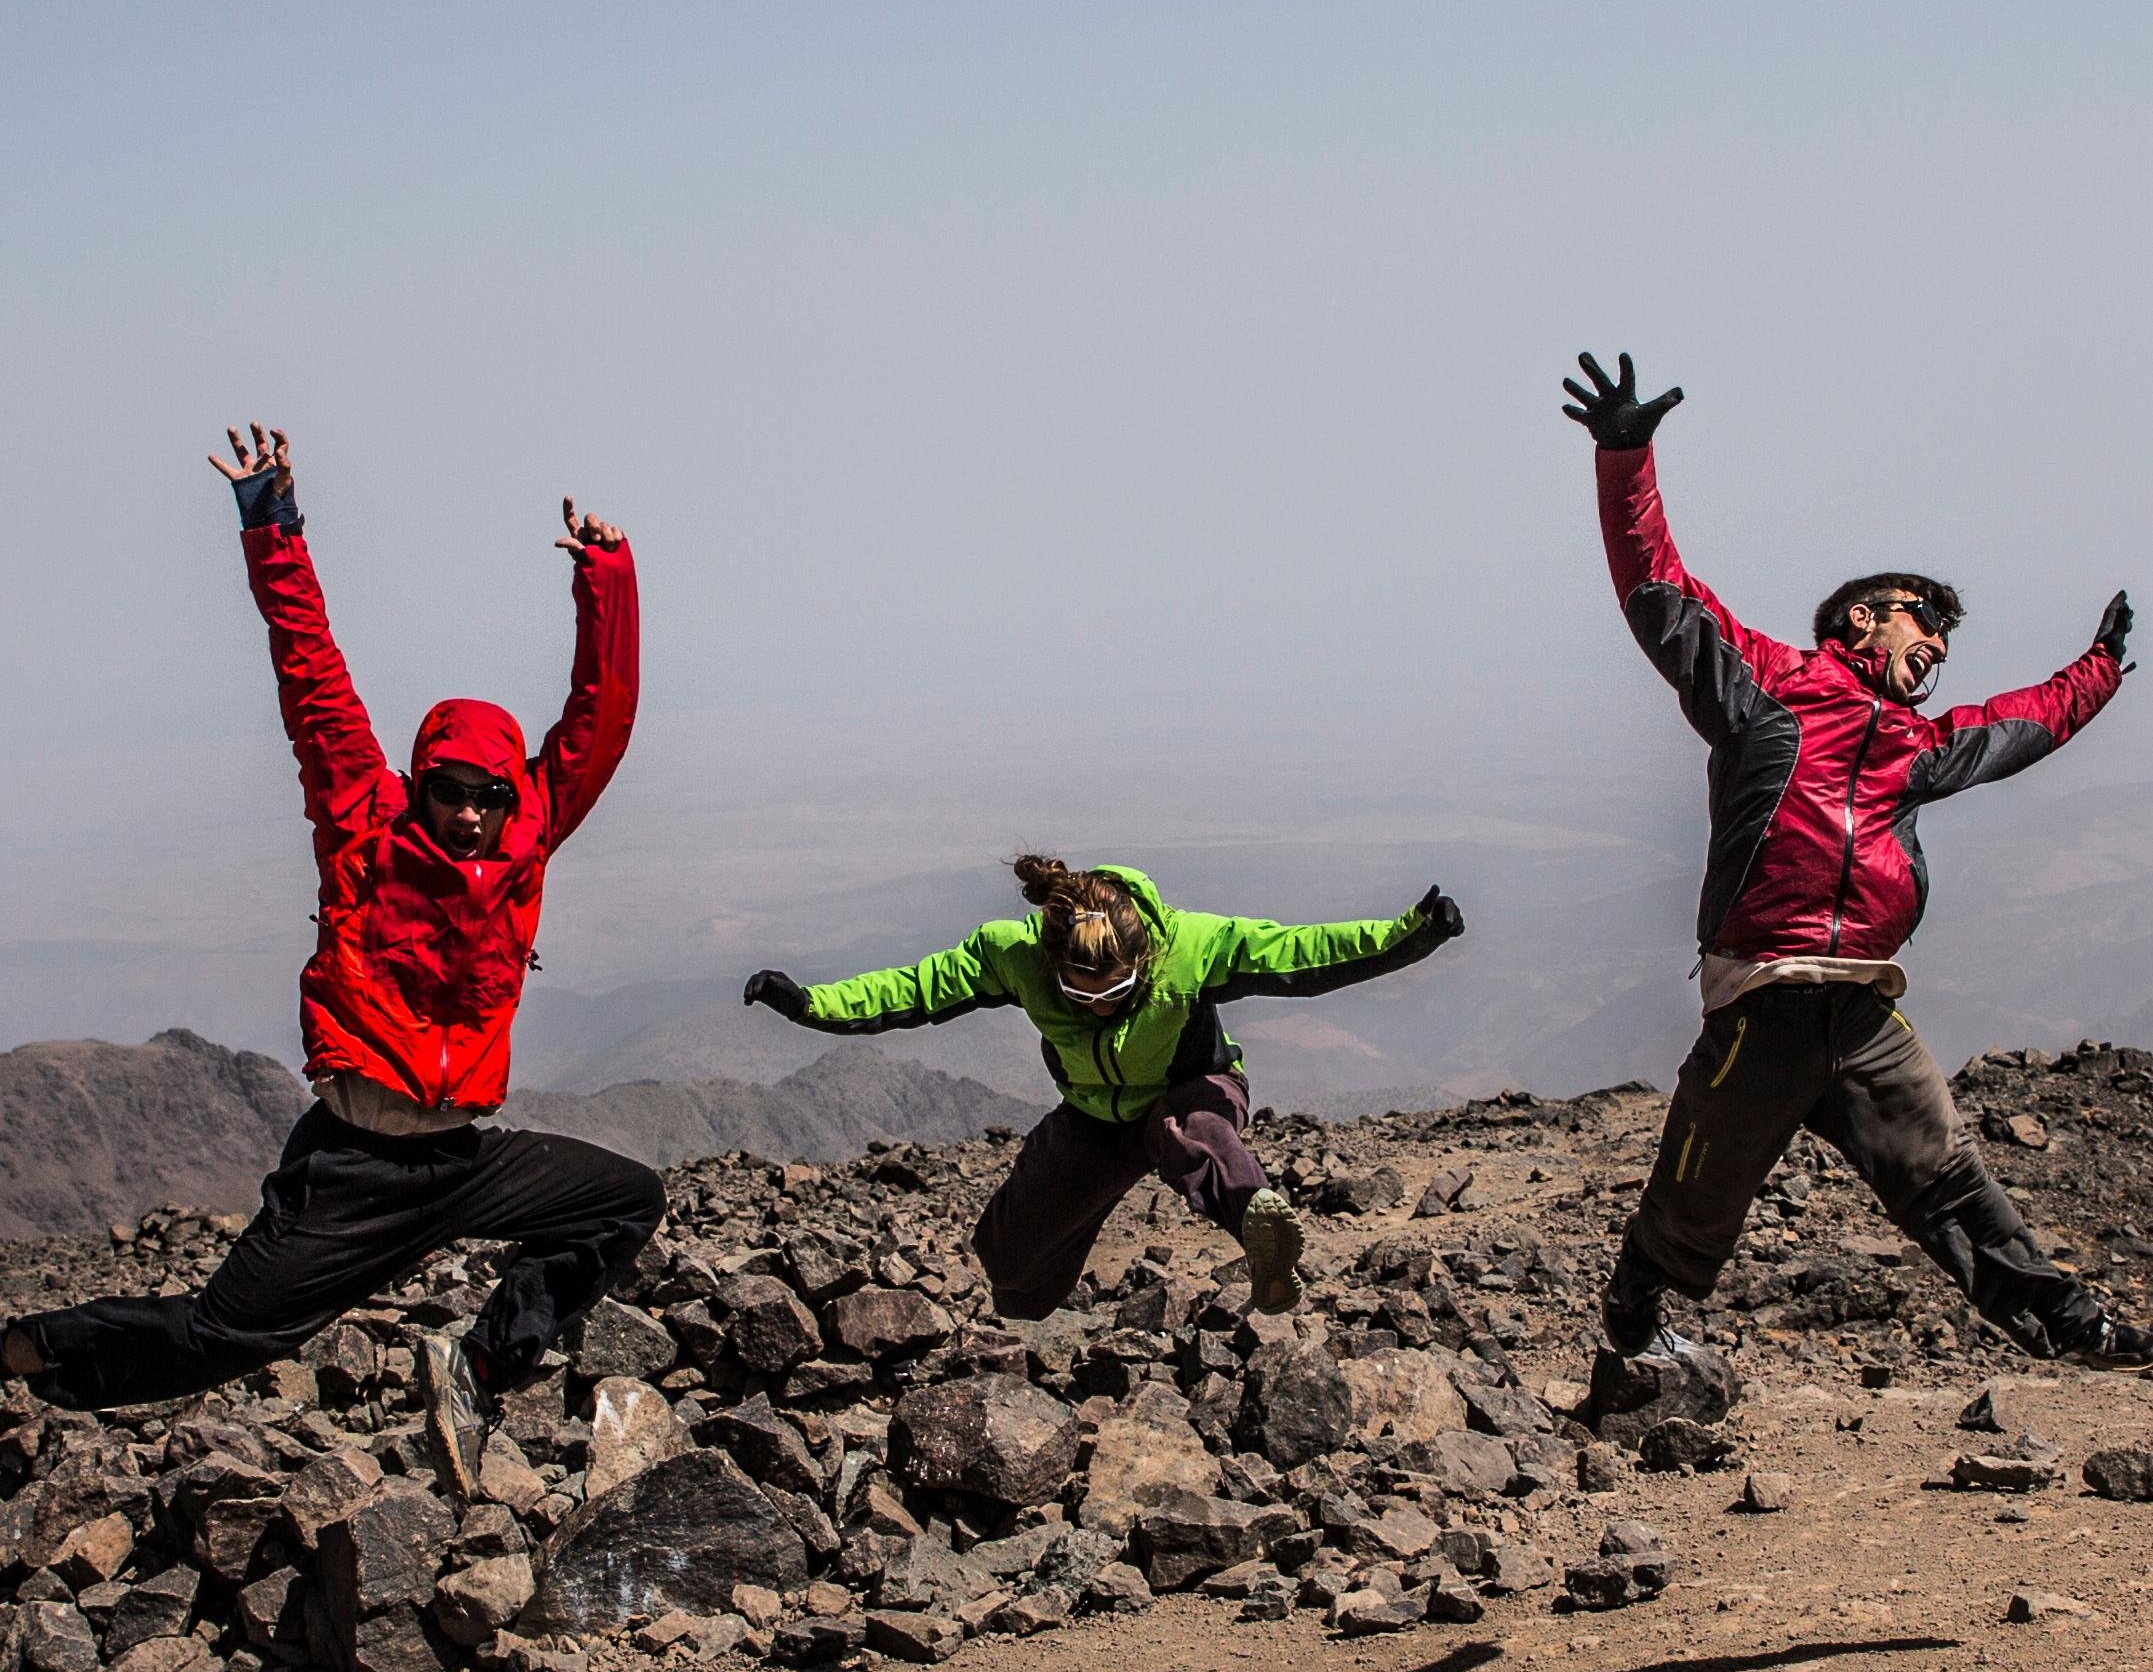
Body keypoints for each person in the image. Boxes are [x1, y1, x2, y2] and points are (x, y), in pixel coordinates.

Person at [2, 425, 668, 1491]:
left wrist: (607, 575)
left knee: (623, 1195)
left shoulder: (529, 835)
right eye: (448, 789)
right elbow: (309, 667)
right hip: (352, 1165)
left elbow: (601, 718)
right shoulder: (361, 817)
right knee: (226, 1335)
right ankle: (33, 1348)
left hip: (459, 1157)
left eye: (487, 796)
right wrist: (271, 522)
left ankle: (482, 1359)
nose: (466, 813)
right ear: (417, 780)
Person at [1563, 349, 2149, 1368]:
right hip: (1767, 995)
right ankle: (1634, 1321)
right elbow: (1658, 590)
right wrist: (1625, 456)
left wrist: (2096, 668)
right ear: (1857, 618)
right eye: (1919, 622)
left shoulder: (1916, 748)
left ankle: (2071, 1328)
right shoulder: (1763, 686)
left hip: (1864, 1010)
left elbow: (2022, 725)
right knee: (1697, 1192)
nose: (1934, 647)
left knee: (1947, 1177)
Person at [743, 856, 1463, 1317]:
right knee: (1009, 1253)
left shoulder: (1191, 945)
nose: (1100, 1003)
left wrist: (1413, 934)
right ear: (1051, 961)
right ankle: (1024, 1326)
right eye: (1079, 990)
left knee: (1193, 1131)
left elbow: (1305, 953)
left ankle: (1258, 1224)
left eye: (1119, 985)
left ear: (1143, 953)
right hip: (1092, 1113)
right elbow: (912, 988)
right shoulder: (1013, 954)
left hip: (1187, 1085)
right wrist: (810, 1005)